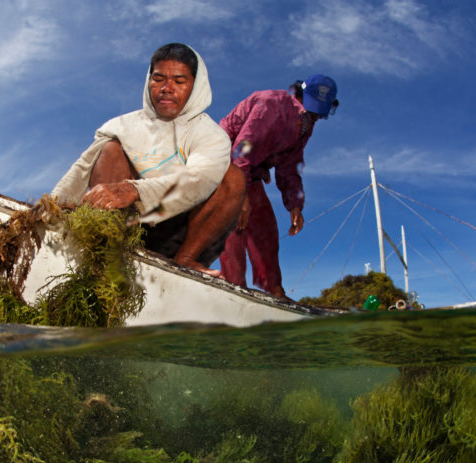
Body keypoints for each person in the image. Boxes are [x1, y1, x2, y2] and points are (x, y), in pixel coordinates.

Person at [50, 43, 245, 275]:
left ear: (195, 86)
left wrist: (135, 190)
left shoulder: (212, 135)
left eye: (179, 81)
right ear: (148, 81)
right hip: (130, 225)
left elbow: (199, 180)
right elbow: (80, 171)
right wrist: (50, 210)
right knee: (111, 149)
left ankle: (186, 259)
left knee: (233, 176)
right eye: (158, 79)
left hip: (179, 232)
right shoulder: (120, 125)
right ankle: (109, 248)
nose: (167, 88)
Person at [218, 75, 338, 297]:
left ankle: (273, 290)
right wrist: (240, 195)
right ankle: (233, 288)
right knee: (235, 223)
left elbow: (290, 164)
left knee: (266, 227)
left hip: (249, 172)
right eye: (312, 112)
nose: (314, 118)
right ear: (300, 95)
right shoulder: (271, 105)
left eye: (318, 115)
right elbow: (240, 152)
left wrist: (295, 205)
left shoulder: (305, 125)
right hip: (224, 162)